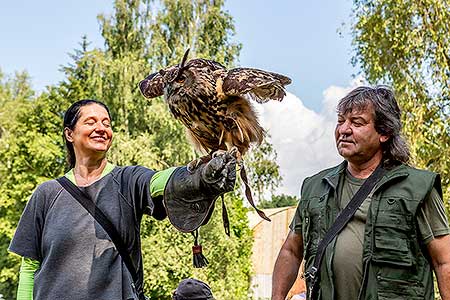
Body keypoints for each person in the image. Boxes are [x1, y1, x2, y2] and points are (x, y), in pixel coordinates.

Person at [9, 99, 237, 300]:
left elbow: (159, 181)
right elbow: (29, 266)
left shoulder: (127, 180)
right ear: (69, 134)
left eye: (106, 123)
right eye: (90, 122)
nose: (101, 128)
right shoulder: (46, 193)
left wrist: (196, 176)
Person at [272, 86, 450, 300]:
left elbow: (444, 261)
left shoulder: (416, 187)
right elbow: (291, 250)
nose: (344, 129)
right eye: (340, 121)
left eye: (357, 123)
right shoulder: (315, 186)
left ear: (384, 132)